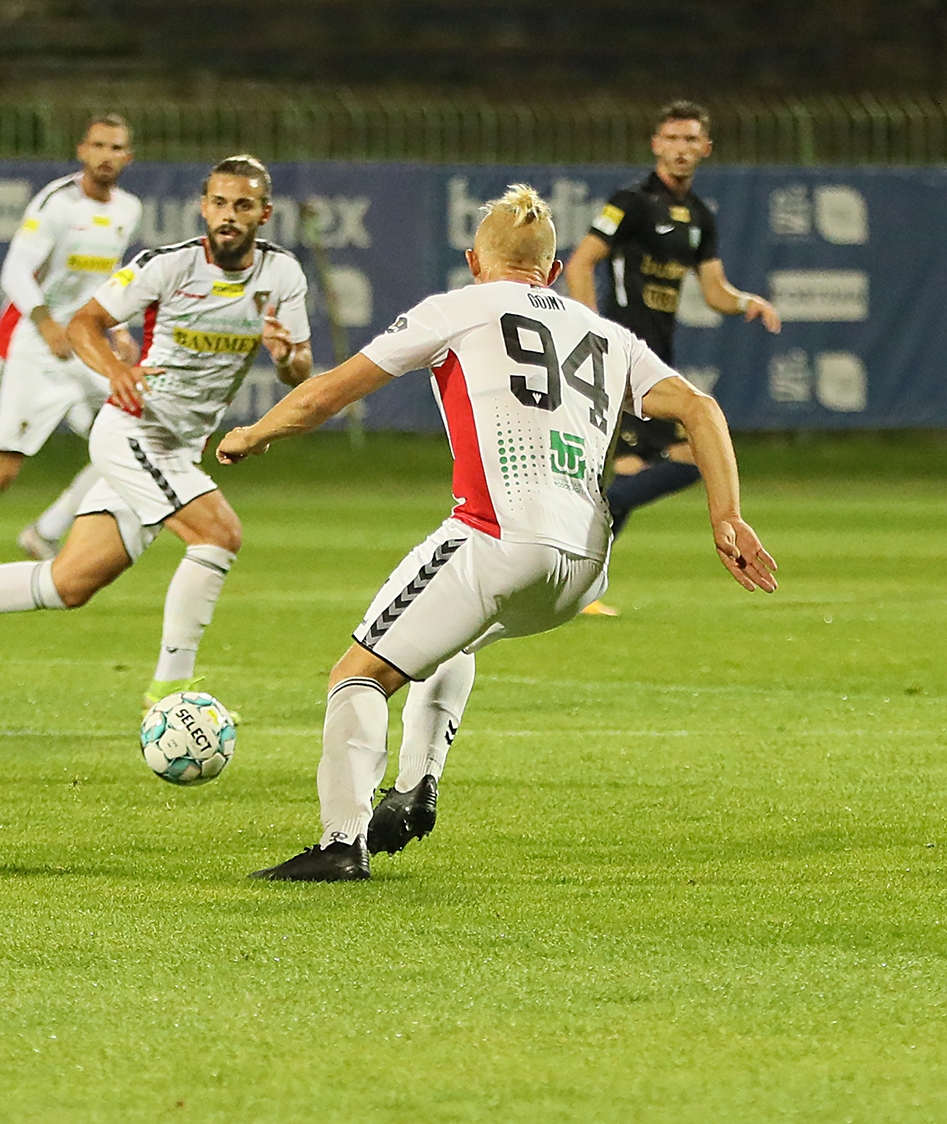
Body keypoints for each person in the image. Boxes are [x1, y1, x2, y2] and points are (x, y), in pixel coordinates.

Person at [218, 185, 778, 882]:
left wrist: (254, 432)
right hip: (586, 562)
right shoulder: (607, 335)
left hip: (498, 537)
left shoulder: (458, 308)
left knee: (358, 674)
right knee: (454, 633)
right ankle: (415, 785)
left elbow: (329, 392)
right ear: (552, 271)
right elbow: (702, 408)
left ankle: (341, 843)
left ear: (473, 261)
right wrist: (727, 516)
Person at [0, 155, 313, 705]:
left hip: (177, 449)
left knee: (68, 583)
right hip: (134, 433)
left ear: (264, 214)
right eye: (220, 203)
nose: (230, 215)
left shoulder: (282, 275)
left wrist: (287, 356)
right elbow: (85, 323)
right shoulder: (168, 266)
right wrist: (115, 371)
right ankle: (172, 691)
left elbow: (299, 369)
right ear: (204, 208)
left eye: (243, 205)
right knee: (219, 534)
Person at [564, 99, 782, 613]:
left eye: (691, 140)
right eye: (672, 139)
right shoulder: (631, 202)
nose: (681, 149)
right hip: (623, 355)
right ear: (656, 145)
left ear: (706, 148)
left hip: (655, 357)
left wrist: (747, 303)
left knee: (638, 468)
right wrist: (595, 335)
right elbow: (580, 264)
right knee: (692, 456)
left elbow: (715, 291)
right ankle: (575, 570)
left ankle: (577, 583)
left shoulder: (699, 216)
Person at [0, 116, 142, 558]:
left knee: (135, 439)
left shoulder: (128, 209)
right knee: (0, 469)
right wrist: (46, 324)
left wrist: (118, 327)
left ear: (128, 157)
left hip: (83, 343)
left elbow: (106, 275)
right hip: (32, 342)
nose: (107, 155)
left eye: (116, 148)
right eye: (99, 145)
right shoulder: (58, 203)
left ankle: (46, 532)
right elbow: (15, 272)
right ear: (82, 151)